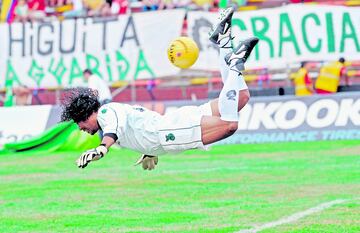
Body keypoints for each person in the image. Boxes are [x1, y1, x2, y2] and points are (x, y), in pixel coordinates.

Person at [61, 6, 258, 170]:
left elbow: (111, 131)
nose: (80, 128)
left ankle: (234, 65)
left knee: (229, 125)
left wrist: (101, 149)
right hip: (173, 123)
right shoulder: (112, 115)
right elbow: (139, 126)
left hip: (171, 132)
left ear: (89, 114)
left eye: (80, 122)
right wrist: (149, 151)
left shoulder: (106, 111)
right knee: (241, 96)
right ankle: (223, 40)